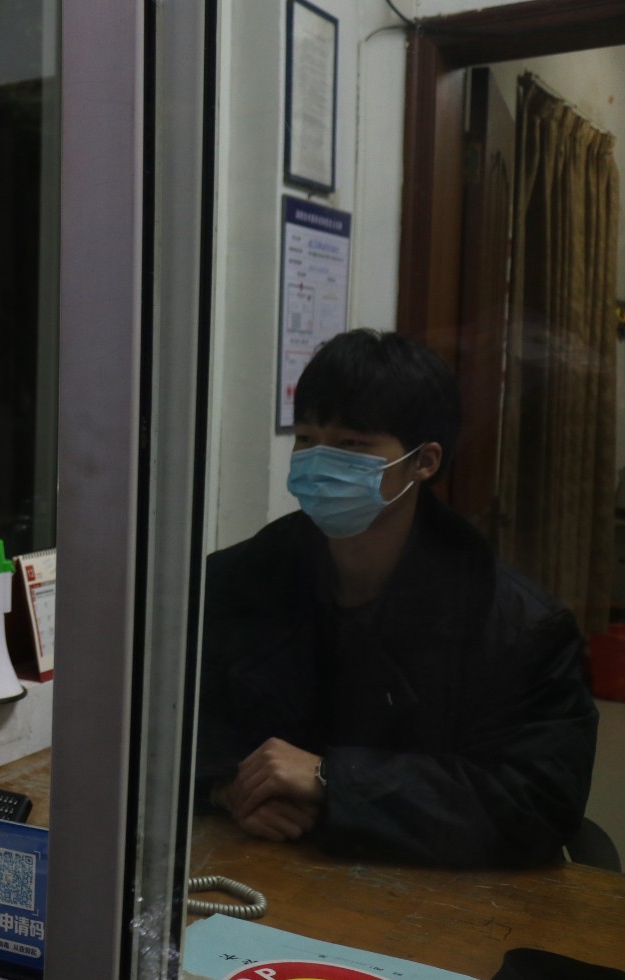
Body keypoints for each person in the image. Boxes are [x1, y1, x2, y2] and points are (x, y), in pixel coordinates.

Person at [196, 328, 597, 868]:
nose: (318, 462)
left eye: (351, 445)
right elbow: (162, 720)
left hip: (434, 894)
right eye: (307, 439)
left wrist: (332, 780)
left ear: (423, 461)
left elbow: (535, 799)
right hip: (262, 872)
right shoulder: (233, 581)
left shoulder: (520, 626)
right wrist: (227, 787)